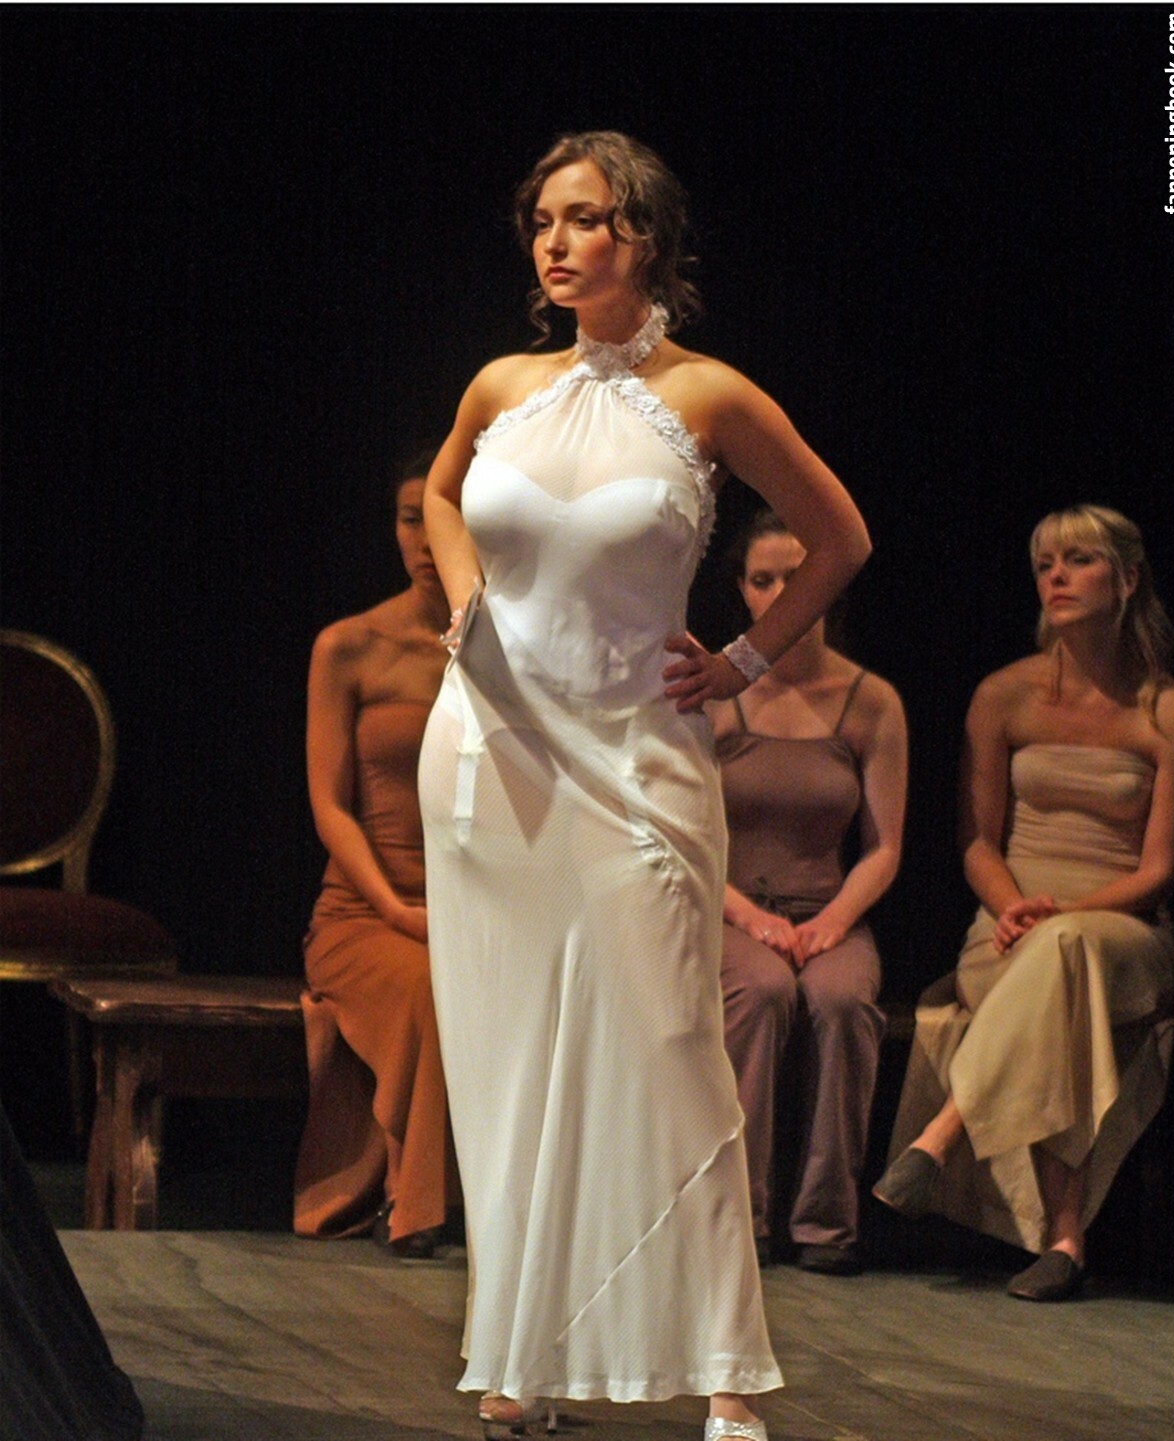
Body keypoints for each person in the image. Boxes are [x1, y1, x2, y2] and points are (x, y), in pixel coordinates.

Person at [417, 131, 871, 1441]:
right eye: (543, 221)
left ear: (647, 238)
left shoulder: (710, 395)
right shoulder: (503, 384)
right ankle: (525, 1352)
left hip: (635, 754)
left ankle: (727, 1370)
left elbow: (840, 537)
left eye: (586, 218)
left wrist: (740, 663)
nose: (557, 243)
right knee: (514, 1059)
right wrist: (466, 599)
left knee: (671, 1048)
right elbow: (442, 496)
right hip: (492, 744)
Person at [873, 504, 1174, 1301]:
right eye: (1045, 563)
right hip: (1008, 926)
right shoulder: (1003, 694)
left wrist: (1067, 916)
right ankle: (1065, 1238)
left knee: (1068, 952)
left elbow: (1159, 869)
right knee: (1057, 983)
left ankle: (944, 1130)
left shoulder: (1169, 711)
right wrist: (1013, 906)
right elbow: (978, 841)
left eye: (1078, 560)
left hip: (1122, 932)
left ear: (1128, 578)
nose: (1056, 577)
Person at [712, 510, 907, 1276]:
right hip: (729, 909)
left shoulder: (870, 700)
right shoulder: (718, 694)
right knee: (762, 993)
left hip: (829, 913)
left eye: (796, 576)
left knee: (842, 1000)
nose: (782, 592)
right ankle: (741, 1216)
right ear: (743, 591)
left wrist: (834, 919)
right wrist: (749, 916)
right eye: (764, 579)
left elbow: (884, 847)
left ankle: (828, 1224)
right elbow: (682, 834)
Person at [294, 453, 456, 1256]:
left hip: (473, 900)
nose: (424, 538)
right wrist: (395, 906)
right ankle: (414, 1201)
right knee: (430, 984)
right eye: (408, 517)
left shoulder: (505, 647)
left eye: (442, 516)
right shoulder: (350, 645)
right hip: (365, 909)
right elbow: (330, 807)